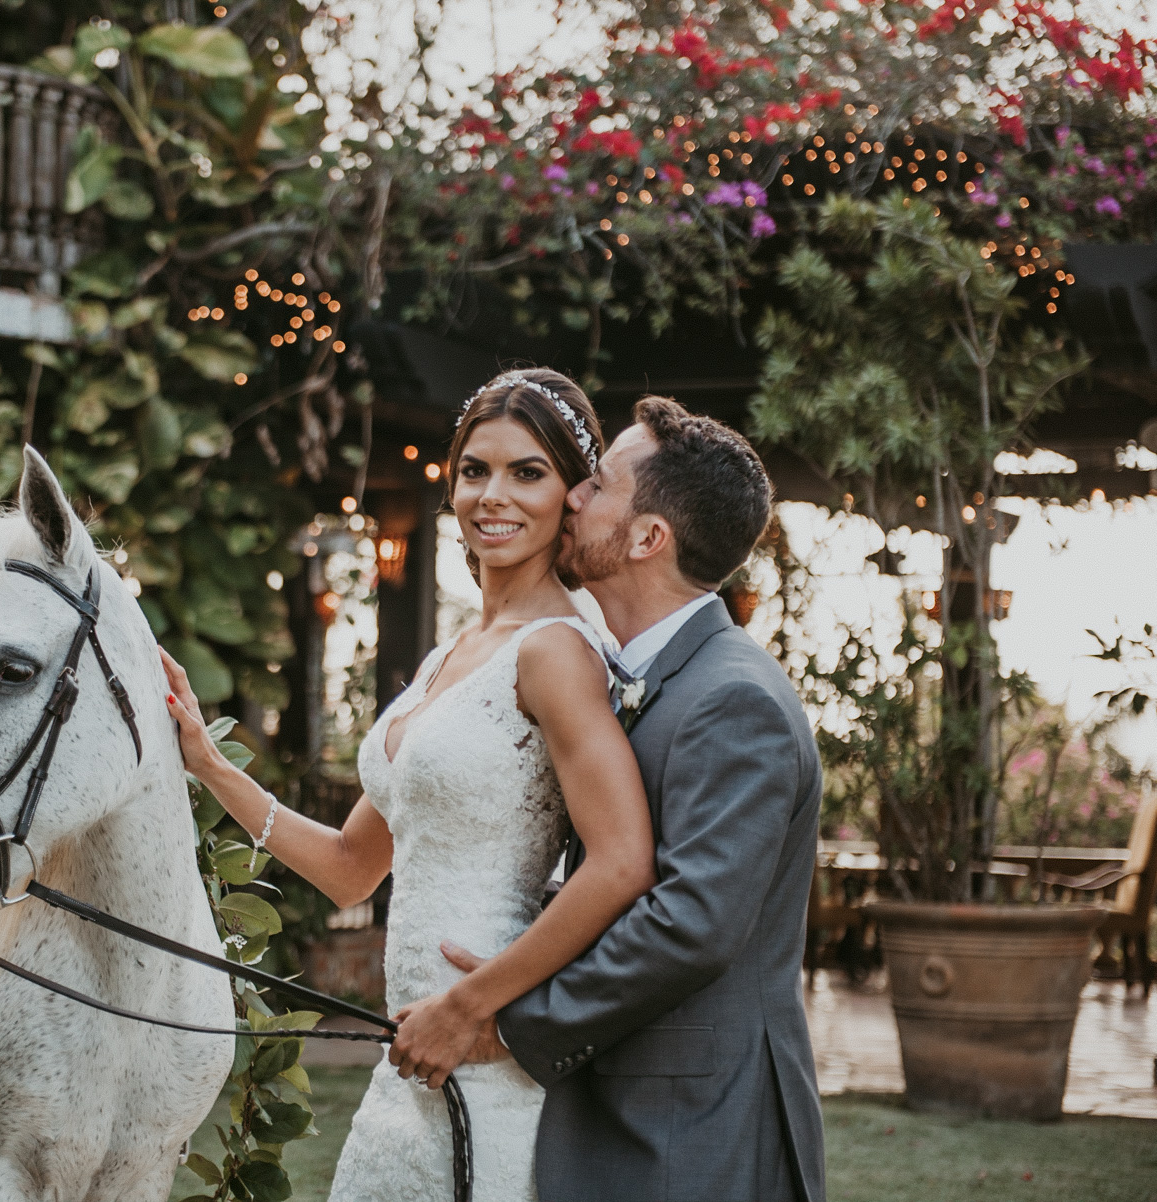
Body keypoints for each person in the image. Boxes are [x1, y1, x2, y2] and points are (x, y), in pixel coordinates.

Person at [163, 369, 656, 1202]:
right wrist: (208, 764)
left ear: (573, 493)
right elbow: (354, 866)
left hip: (486, 1048)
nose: (492, 496)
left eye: (526, 473)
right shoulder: (449, 656)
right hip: (411, 1055)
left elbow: (621, 862)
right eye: (475, 471)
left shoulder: (556, 651)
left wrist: (472, 1005)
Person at [447, 396, 827, 1202]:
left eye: (600, 485)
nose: (575, 494)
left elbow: (690, 924)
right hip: (641, 1108)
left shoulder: (735, 699)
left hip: (696, 1129)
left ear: (649, 536)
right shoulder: (649, 677)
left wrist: (514, 1020)